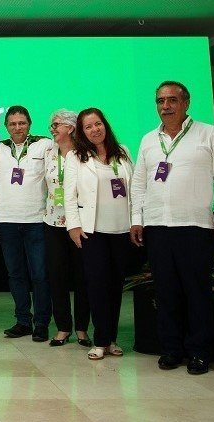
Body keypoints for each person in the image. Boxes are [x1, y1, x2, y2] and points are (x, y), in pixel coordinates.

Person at [131, 81, 214, 375]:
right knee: (166, 292)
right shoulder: (148, 140)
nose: (165, 106)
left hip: (194, 227)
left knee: (196, 292)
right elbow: (138, 184)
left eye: (172, 100)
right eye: (160, 101)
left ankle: (199, 352)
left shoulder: (208, 134)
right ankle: (171, 349)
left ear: (186, 103)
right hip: (157, 227)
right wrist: (137, 218)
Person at [64, 107, 133, 360]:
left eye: (98, 124)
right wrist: (73, 226)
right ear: (82, 132)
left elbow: (135, 189)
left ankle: (111, 338)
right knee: (97, 285)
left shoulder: (123, 152)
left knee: (116, 285)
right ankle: (100, 340)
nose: (95, 130)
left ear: (105, 125)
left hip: (122, 229)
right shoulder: (76, 157)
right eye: (88, 127)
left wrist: (137, 222)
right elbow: (69, 194)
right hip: (92, 231)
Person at [0, 106, 53, 342]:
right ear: (6, 126)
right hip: (6, 220)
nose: (17, 128)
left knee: (39, 274)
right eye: (13, 124)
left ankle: (42, 323)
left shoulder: (44, 145)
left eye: (22, 123)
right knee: (15, 274)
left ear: (29, 124)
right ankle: (23, 321)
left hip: (36, 220)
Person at [43, 109, 91, 347]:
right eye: (52, 125)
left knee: (82, 276)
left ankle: (82, 328)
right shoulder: (48, 153)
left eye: (56, 125)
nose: (52, 129)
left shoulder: (84, 154)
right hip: (52, 222)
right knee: (57, 276)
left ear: (71, 128)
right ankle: (63, 327)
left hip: (79, 223)